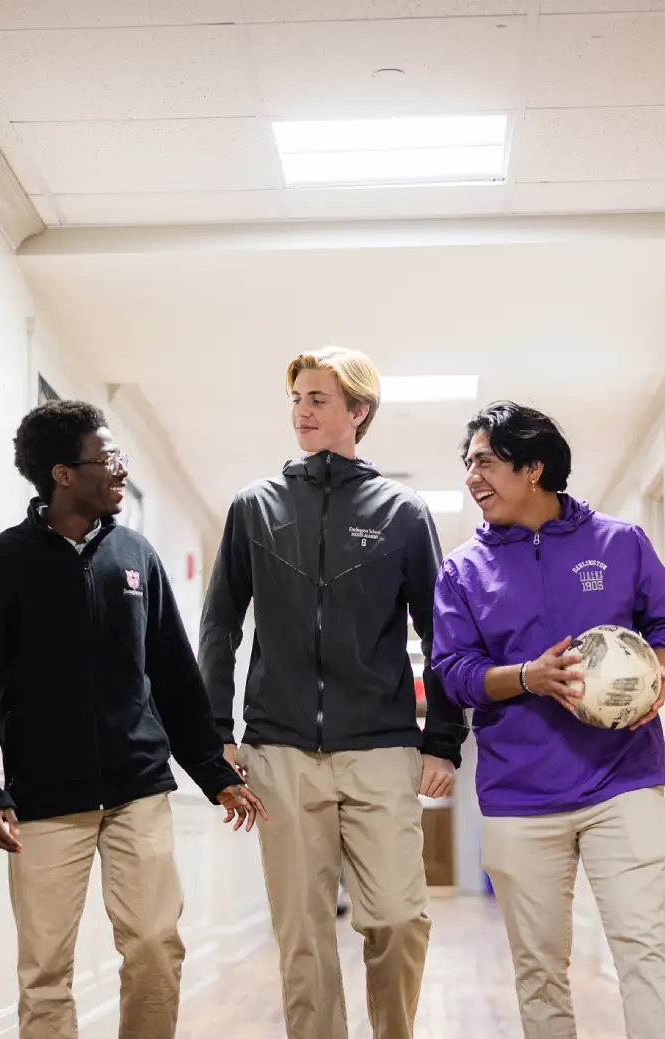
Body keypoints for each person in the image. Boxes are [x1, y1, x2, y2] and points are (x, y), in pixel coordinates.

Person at [0, 400, 266, 1039]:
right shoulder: (1, 563)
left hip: (137, 788)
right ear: (62, 474)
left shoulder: (136, 556)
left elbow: (172, 675)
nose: (120, 470)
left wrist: (211, 769)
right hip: (42, 800)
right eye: (108, 459)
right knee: (44, 971)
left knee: (154, 945)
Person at [199, 346, 467, 1039]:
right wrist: (215, 731)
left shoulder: (403, 512)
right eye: (297, 398)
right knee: (304, 937)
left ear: (358, 411)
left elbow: (439, 632)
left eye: (319, 398)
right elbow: (221, 622)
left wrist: (442, 739)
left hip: (380, 747)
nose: (303, 411)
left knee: (401, 918)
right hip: (281, 750)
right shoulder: (254, 507)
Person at [431, 401, 665, 1039]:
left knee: (646, 952)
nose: (473, 478)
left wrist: (651, 673)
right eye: (468, 465)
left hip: (623, 783)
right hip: (520, 798)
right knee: (539, 970)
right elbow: (453, 671)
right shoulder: (462, 570)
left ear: (533, 468)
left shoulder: (620, 542)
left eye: (485, 463)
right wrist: (527, 677)